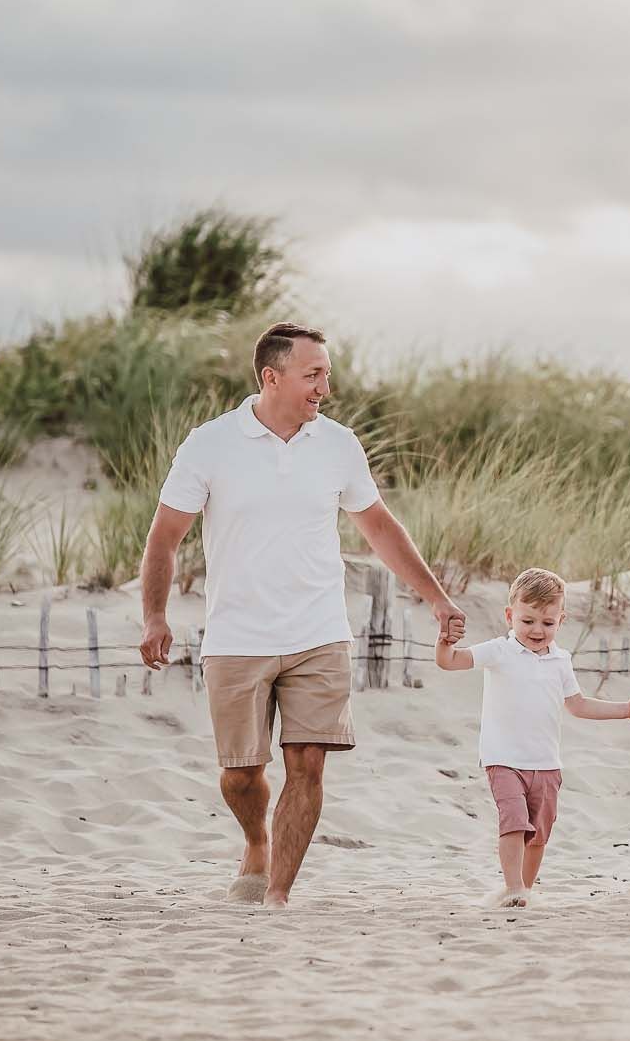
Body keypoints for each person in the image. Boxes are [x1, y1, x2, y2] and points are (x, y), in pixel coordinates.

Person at [137, 321, 466, 909]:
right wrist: (154, 616)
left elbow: (380, 528)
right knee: (241, 773)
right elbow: (164, 538)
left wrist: (437, 598)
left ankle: (278, 895)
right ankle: (256, 843)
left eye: (327, 375)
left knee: (308, 764)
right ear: (272, 376)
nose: (324, 389)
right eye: (313, 376)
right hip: (238, 635)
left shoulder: (338, 444)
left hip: (318, 631)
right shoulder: (209, 445)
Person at [435, 567, 630, 907]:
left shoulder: (561, 660)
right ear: (510, 615)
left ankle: (523, 892)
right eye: (528, 620)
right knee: (514, 822)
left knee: (539, 835)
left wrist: (626, 709)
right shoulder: (498, 651)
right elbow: (450, 662)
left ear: (561, 620)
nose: (537, 630)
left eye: (547, 623)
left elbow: (577, 705)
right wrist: (444, 643)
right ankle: (514, 886)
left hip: (546, 763)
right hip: (503, 759)